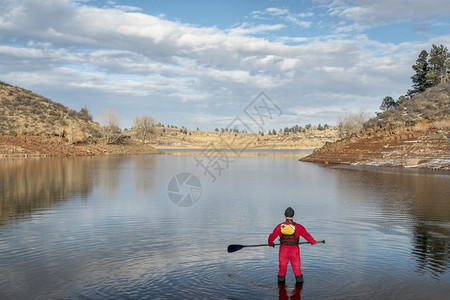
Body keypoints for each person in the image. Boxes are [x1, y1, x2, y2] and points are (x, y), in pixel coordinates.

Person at [268, 207, 316, 284]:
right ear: (293, 216)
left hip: (283, 252)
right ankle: (299, 288)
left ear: (284, 215)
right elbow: (306, 235)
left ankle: (281, 289)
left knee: (282, 270)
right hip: (294, 252)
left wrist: (270, 244)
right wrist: (313, 242)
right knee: (297, 270)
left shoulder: (279, 226)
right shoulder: (299, 227)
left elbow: (272, 236)